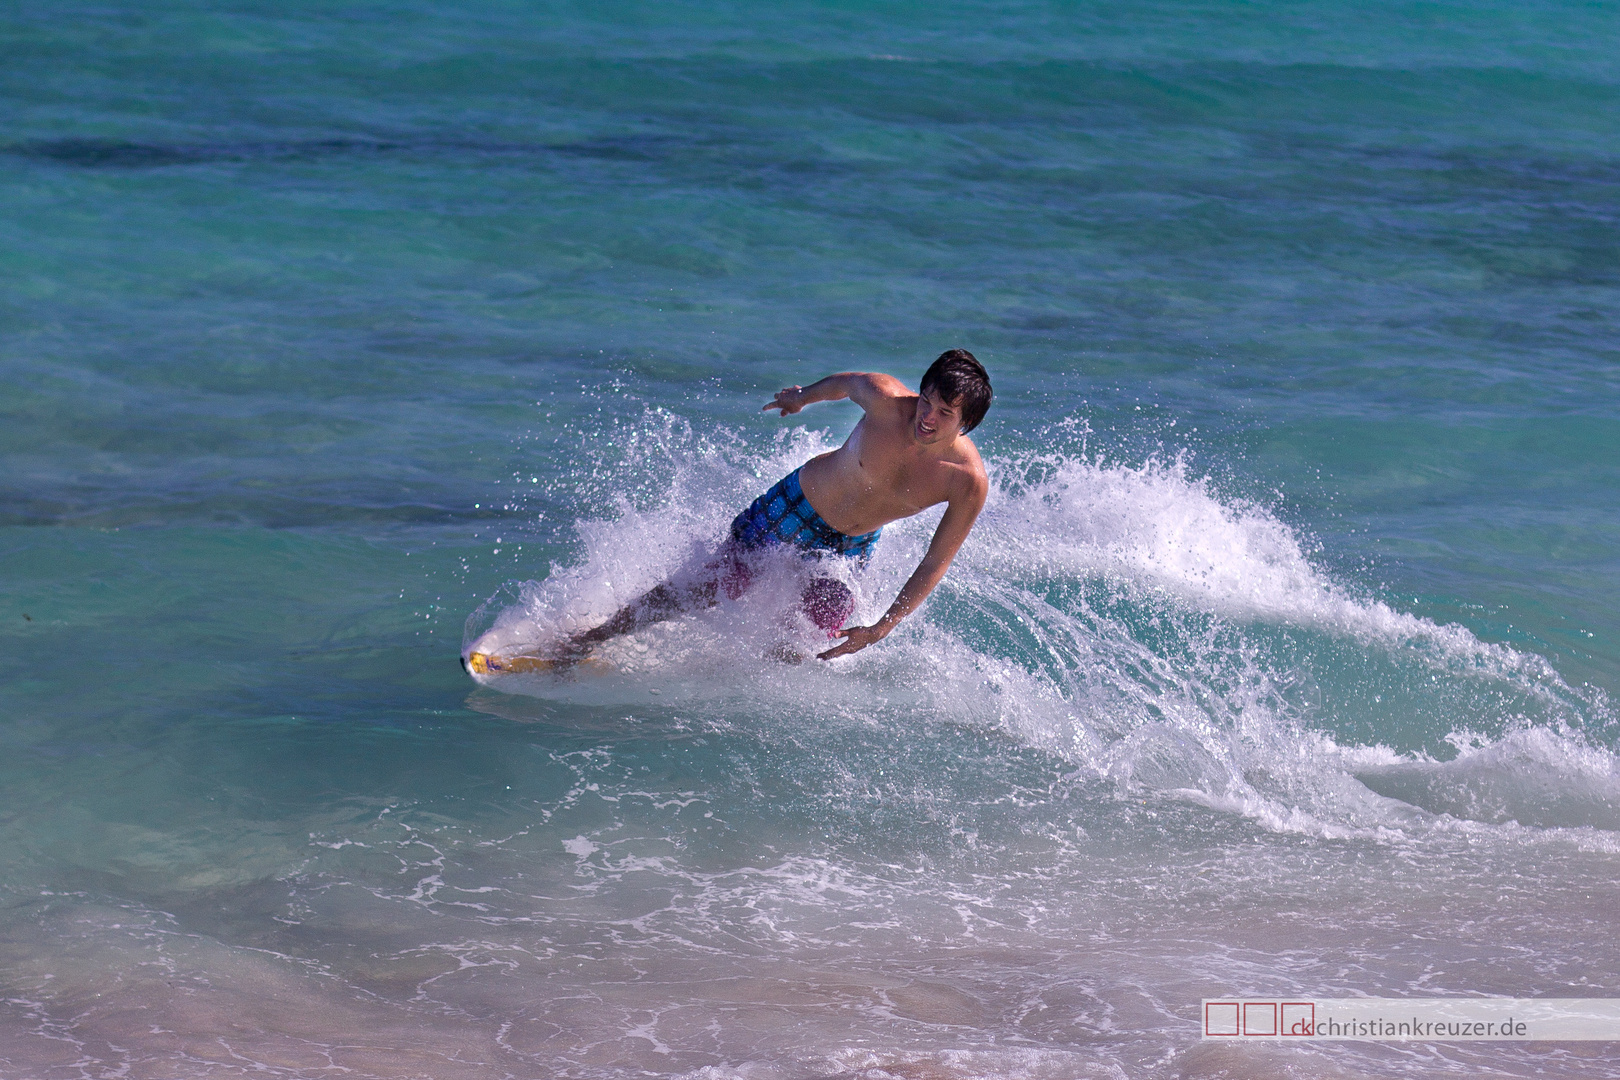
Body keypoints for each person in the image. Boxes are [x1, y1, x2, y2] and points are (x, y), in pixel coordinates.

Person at [557, 349, 992, 663]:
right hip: (798, 506)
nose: (926, 417)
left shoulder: (966, 482)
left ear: (966, 424)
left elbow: (936, 561)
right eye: (926, 401)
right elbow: (844, 384)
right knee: (707, 586)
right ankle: (589, 639)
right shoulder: (884, 399)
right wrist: (802, 397)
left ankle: (729, 703)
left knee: (804, 644)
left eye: (944, 414)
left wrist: (882, 628)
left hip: (851, 547)